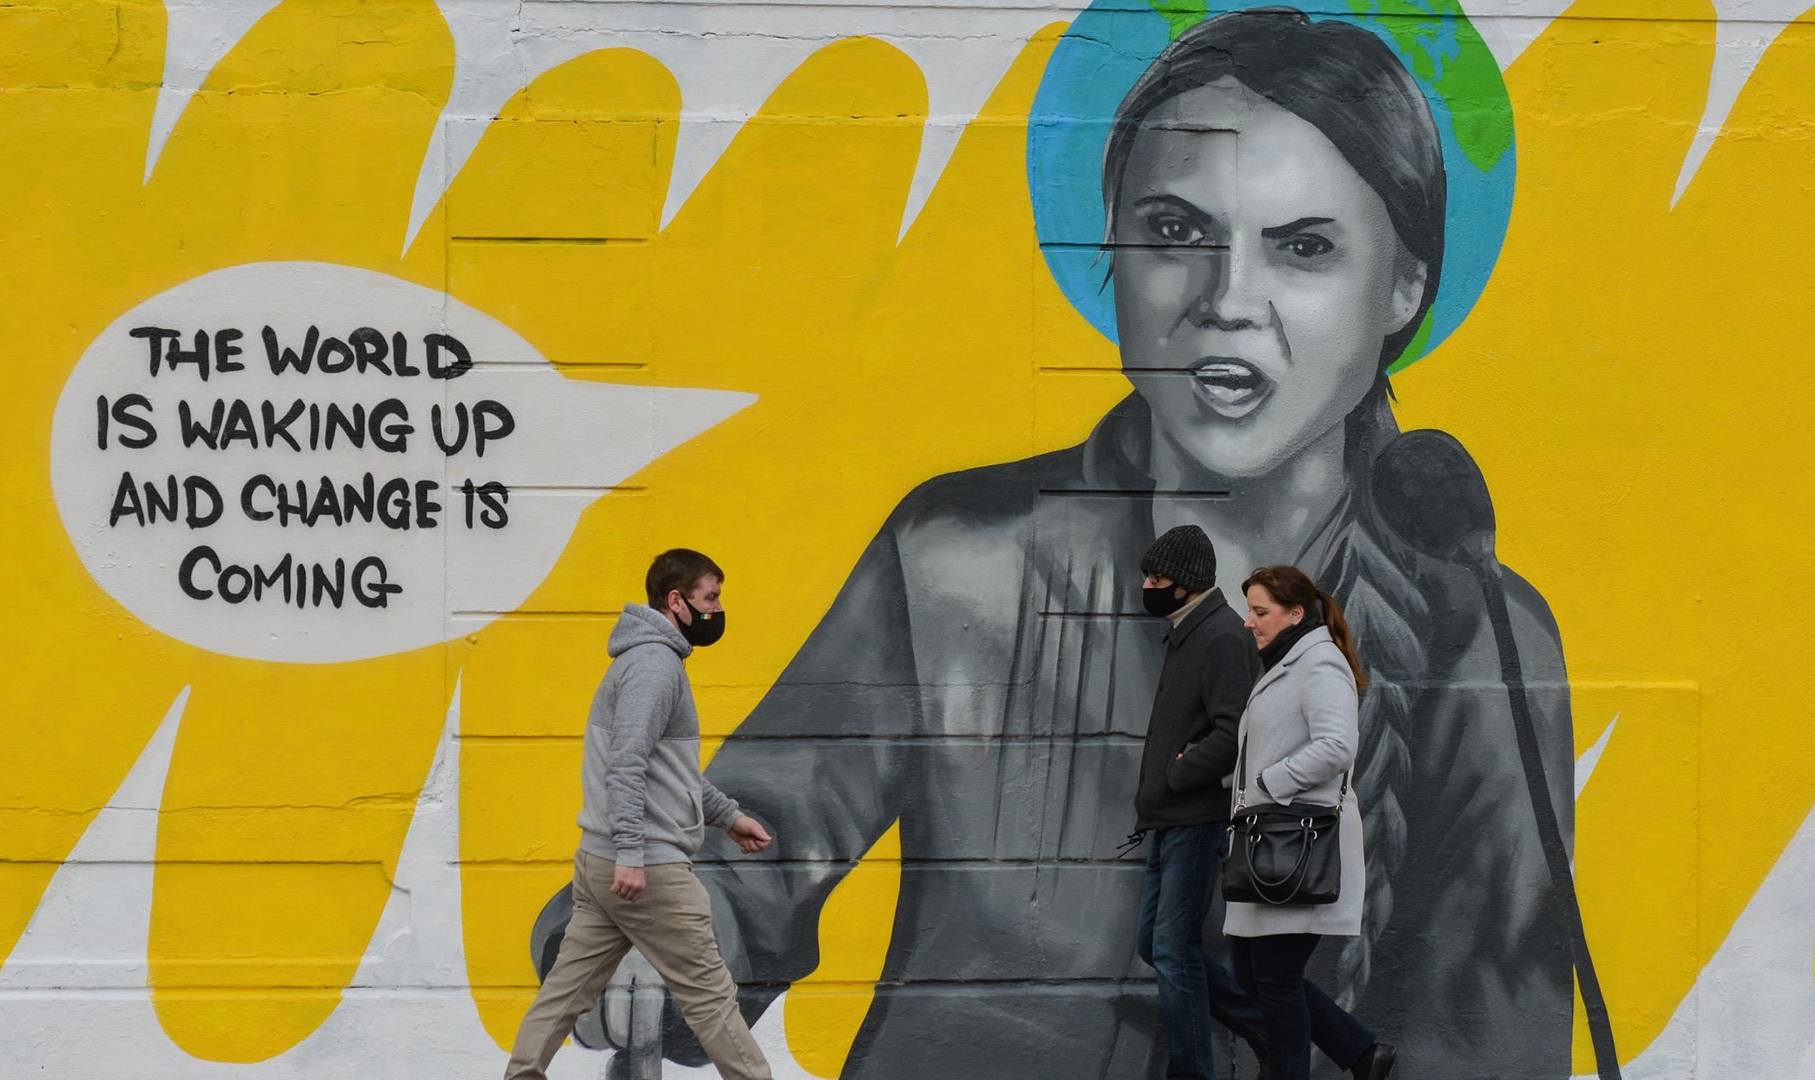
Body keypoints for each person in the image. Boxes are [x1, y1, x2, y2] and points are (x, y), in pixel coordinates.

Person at [536, 10, 1576, 1078]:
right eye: (1177, 232)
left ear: (1405, 287)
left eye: (1303, 247)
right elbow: (761, 834)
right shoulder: (955, 560)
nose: (1228, 303)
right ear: (1111, 255)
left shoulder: (1481, 631)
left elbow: (1492, 1037)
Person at [503, 549, 776, 1080]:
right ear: (677, 602)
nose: (717, 611)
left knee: (564, 994)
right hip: (646, 869)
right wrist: (632, 853)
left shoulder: (641, 661)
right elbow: (627, 765)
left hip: (603, 863)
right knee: (712, 998)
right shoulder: (655, 666)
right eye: (710, 599)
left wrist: (727, 816)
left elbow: (666, 769)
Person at [1226, 566, 1395, 1080]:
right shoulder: (1288, 663)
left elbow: (1337, 746)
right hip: (1268, 843)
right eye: (1250, 611)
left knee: (1274, 978)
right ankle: (1362, 1054)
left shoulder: (1319, 663)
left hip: (1296, 842)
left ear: (1296, 613)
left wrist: (1269, 785)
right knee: (1254, 977)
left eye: (1261, 612)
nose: (1250, 623)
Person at [1131, 524, 1266, 1079]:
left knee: (1174, 949)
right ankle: (1268, 1030)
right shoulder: (1191, 630)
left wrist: (1180, 773)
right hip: (1170, 818)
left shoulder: (1221, 638)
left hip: (1196, 819)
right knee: (1155, 943)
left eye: (1157, 578)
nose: (1147, 586)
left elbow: (1234, 731)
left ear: (1186, 585)